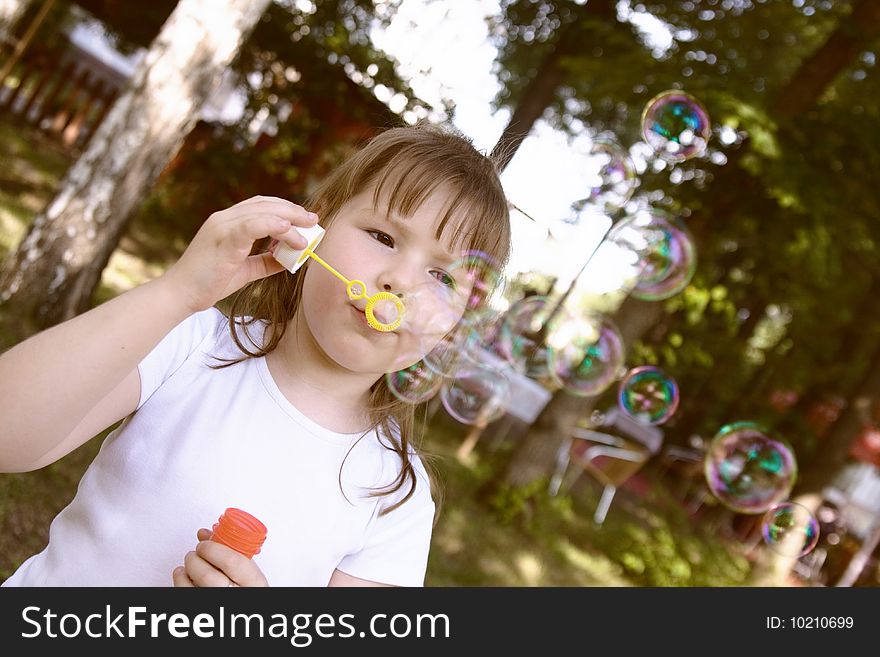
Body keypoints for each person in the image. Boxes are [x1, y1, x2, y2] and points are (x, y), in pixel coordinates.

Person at [0, 123, 511, 586]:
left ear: (453, 329)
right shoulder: (193, 346)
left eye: (441, 276)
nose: (398, 281)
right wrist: (175, 292)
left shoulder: (394, 495)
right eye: (382, 236)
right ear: (315, 231)